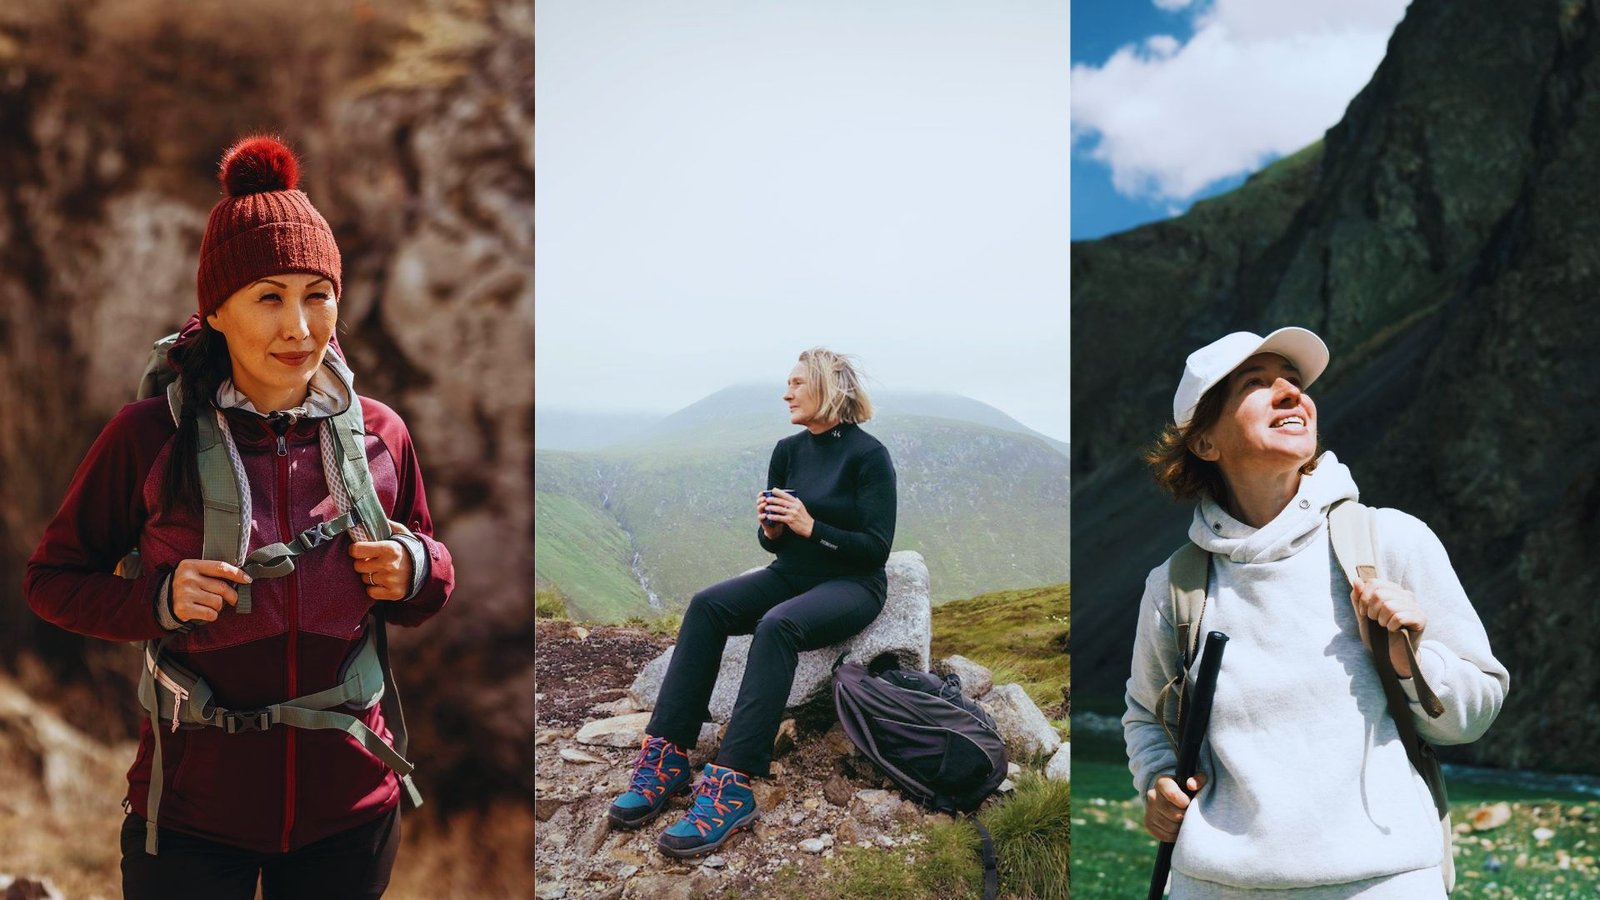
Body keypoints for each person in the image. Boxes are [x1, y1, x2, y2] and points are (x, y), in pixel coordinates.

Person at [24, 135, 454, 899]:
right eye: (268, 297)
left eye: (317, 294)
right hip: (191, 818)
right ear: (216, 310)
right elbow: (52, 580)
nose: (299, 327)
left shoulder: (378, 434)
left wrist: (414, 568)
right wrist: (157, 599)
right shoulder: (149, 436)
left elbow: (427, 575)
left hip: (350, 814)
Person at [1123, 327, 1508, 898]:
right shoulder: (1177, 585)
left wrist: (1412, 662)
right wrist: (1156, 783)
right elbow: (1143, 714)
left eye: (1294, 383)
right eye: (1256, 385)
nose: (1289, 394)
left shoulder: (1389, 542)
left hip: (1385, 883)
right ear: (1205, 443)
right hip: (1212, 885)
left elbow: (1474, 714)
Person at [607, 347, 897, 858]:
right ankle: (669, 754)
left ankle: (732, 784)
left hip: (853, 583)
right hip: (792, 572)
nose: (786, 393)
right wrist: (771, 529)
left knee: (777, 626)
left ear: (830, 388)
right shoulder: (788, 450)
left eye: (796, 383)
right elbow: (776, 545)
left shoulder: (869, 455)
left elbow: (876, 548)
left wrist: (814, 527)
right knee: (706, 605)